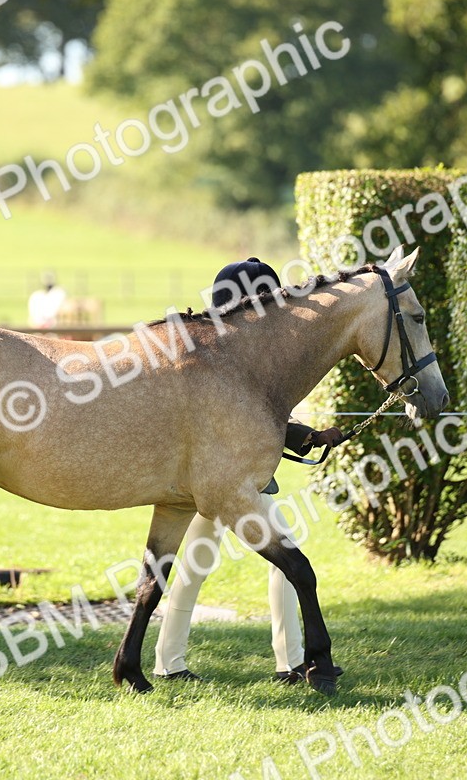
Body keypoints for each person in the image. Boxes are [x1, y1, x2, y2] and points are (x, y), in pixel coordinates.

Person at [153, 258, 345, 684]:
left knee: (197, 564)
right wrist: (305, 435)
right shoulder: (239, 358)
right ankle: (292, 661)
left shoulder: (218, 350)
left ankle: (170, 662)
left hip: (217, 478)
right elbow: (252, 417)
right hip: (230, 481)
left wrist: (311, 436)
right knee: (285, 560)